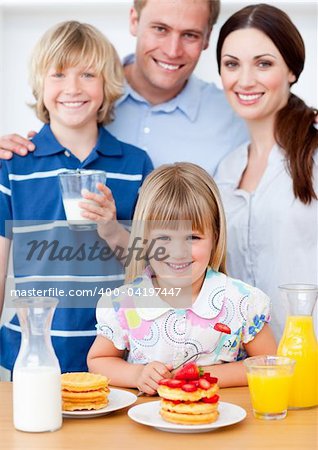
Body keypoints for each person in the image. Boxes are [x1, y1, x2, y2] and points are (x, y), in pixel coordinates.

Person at [0, 21, 153, 376]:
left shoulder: (135, 165)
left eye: (87, 75)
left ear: (106, 86)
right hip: (30, 357)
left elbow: (151, 269)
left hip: (117, 360)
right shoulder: (13, 166)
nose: (72, 88)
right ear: (40, 85)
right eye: (58, 74)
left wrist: (113, 229)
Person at [87, 163, 277, 393]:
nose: (178, 252)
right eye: (164, 238)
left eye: (193, 237)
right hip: (148, 424)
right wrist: (137, 374)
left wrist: (202, 375)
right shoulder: (125, 303)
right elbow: (98, 361)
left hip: (220, 422)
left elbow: (269, 363)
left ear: (215, 237)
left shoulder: (242, 302)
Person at [0, 0, 248, 173]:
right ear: (134, 20)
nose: (173, 51)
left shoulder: (234, 117)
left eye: (190, 35)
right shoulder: (84, 97)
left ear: (207, 38)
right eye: (160, 29)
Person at [214, 4, 318, 341]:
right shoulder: (227, 168)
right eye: (232, 64)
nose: (245, 80)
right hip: (250, 368)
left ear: (291, 69)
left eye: (263, 63)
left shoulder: (313, 151)